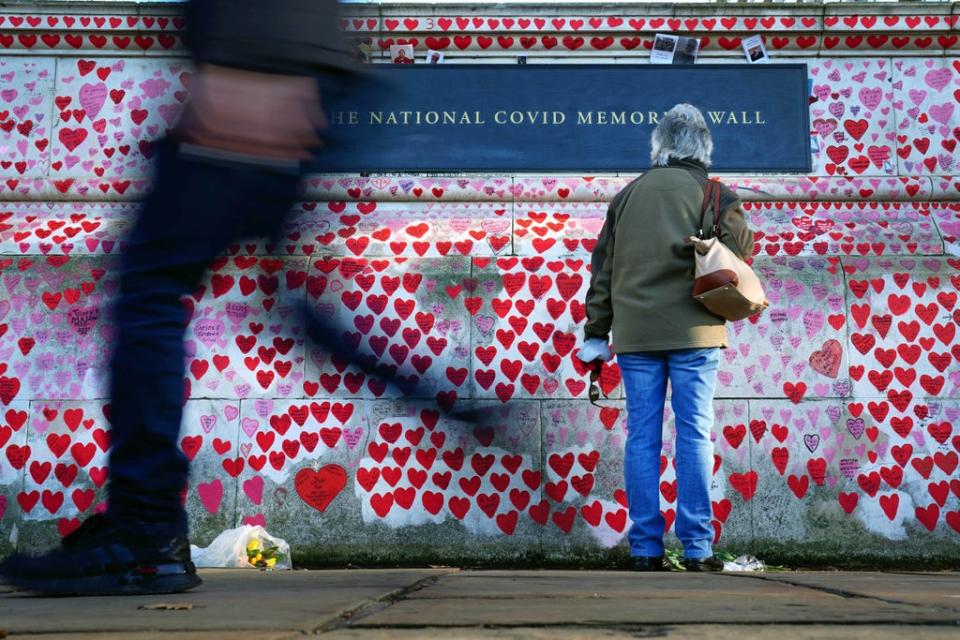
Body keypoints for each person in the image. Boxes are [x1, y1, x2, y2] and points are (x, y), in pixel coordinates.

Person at [0, 0, 365, 596]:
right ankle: (464, 409)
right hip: (285, 75)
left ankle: (146, 532)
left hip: (255, 79)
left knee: (149, 294)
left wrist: (249, 69)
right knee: (289, 312)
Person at [577, 104, 754, 573]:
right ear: (704, 146)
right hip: (696, 329)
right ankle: (697, 549)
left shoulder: (627, 195)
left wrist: (596, 332)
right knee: (694, 432)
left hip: (635, 333)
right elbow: (742, 253)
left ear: (659, 145)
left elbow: (603, 270)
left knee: (642, 437)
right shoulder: (715, 192)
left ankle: (645, 549)